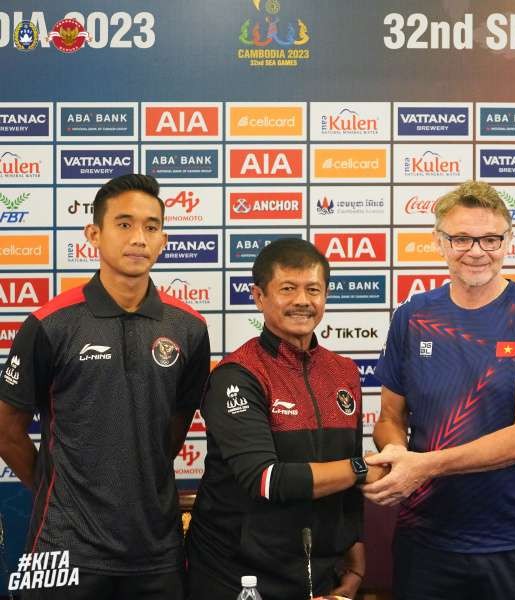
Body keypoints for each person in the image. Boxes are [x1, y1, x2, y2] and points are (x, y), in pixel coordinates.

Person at [0, 173, 210, 599]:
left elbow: (173, 429)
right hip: (61, 545)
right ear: (94, 233)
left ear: (164, 239)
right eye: (124, 224)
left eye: (151, 227)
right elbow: (6, 430)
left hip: (155, 546)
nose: (139, 238)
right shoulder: (50, 323)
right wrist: (55, 489)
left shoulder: (189, 328)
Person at [363, 180, 515, 600]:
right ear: (439, 242)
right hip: (426, 538)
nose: (477, 251)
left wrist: (424, 467)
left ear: (508, 241)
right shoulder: (412, 315)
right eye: (461, 238)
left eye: (490, 238)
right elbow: (390, 418)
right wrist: (398, 457)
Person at [186, 238, 386, 600]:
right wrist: (359, 468)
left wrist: (354, 548)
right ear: (259, 296)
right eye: (288, 289)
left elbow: (345, 481)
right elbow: (266, 479)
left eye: (313, 289)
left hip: (319, 574)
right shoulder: (238, 374)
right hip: (236, 575)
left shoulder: (343, 373)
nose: (302, 301)